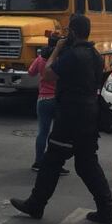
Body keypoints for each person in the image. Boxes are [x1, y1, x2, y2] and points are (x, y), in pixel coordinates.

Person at [10, 15, 112, 224]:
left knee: (51, 161)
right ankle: (107, 208)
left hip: (71, 116)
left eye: (68, 31)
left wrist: (57, 50)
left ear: (74, 33)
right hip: (89, 114)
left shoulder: (73, 55)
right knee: (86, 163)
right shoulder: (94, 54)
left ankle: (36, 204)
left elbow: (48, 74)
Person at [28, 34, 68, 176]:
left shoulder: (40, 58)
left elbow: (30, 73)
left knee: (42, 132)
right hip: (58, 100)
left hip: (43, 99)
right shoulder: (62, 59)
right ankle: (56, 164)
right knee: (58, 135)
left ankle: (38, 162)